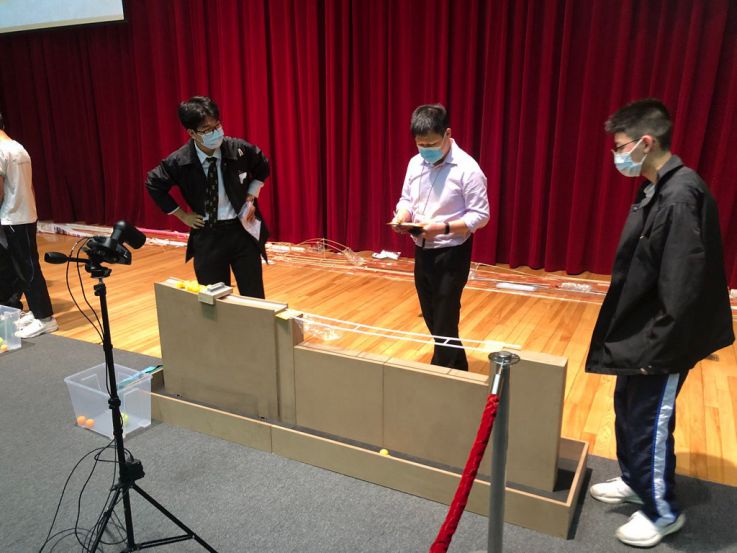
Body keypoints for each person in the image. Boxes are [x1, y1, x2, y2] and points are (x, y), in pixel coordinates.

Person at [586, 99, 734, 548]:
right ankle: (636, 480)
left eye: (620, 147)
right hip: (640, 328)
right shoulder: (656, 187)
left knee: (650, 420)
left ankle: (663, 511)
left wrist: (659, 349)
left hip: (661, 338)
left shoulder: (681, 194)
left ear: (645, 142)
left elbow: (683, 283)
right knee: (628, 409)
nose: (617, 155)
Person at [391, 104, 489, 371]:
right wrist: (402, 215)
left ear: (447, 134)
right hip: (422, 248)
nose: (425, 149)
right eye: (420, 144)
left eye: (431, 143)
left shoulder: (467, 169)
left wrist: (441, 228)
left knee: (445, 317)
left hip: (452, 251)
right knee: (432, 314)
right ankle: (458, 367)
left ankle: (440, 372)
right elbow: (406, 198)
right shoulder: (415, 163)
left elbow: (481, 216)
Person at [146, 96, 270, 298]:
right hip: (208, 235)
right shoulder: (180, 160)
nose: (216, 132)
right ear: (192, 133)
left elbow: (263, 165)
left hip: (242, 231)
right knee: (215, 298)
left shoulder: (238, 149)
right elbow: (153, 183)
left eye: (217, 125)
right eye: (207, 130)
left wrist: (252, 193)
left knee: (254, 296)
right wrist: (182, 215)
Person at [0, 111, 58, 338]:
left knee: (27, 268)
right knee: (23, 267)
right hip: (24, 214)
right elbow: (29, 184)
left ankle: (45, 318)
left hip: (13, 215)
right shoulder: (18, 147)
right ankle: (36, 312)